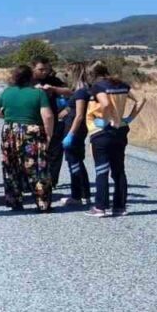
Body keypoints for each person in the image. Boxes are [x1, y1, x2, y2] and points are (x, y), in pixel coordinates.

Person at [87, 62, 144, 218]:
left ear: (93, 75)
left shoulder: (98, 86)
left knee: (102, 170)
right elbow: (141, 99)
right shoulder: (122, 84)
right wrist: (130, 118)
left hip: (103, 132)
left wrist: (104, 120)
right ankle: (120, 207)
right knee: (118, 170)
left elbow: (105, 103)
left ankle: (100, 207)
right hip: (120, 130)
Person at [0, 65, 55, 211]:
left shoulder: (7, 92)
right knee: (37, 167)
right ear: (31, 77)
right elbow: (47, 116)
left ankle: (14, 200)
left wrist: (11, 118)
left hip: (10, 130)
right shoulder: (38, 94)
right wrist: (48, 134)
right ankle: (42, 202)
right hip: (32, 130)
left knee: (11, 166)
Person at [32, 57, 70, 193]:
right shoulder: (28, 81)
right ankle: (33, 181)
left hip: (53, 120)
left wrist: (54, 89)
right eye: (41, 69)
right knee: (33, 153)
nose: (44, 72)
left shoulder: (53, 80)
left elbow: (69, 92)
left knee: (54, 152)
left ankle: (52, 180)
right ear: (33, 68)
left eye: (47, 69)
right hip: (33, 121)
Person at [60, 65, 93, 207]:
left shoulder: (80, 92)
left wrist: (70, 134)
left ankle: (77, 196)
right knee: (76, 161)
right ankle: (83, 194)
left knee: (74, 162)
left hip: (74, 129)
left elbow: (79, 115)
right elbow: (73, 109)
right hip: (75, 128)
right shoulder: (83, 91)